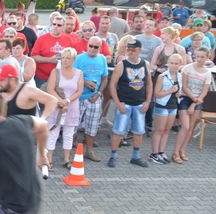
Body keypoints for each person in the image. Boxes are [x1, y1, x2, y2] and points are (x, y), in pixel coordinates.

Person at [107, 39, 152, 168]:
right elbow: (112, 85)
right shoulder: (121, 65)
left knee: (139, 131)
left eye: (133, 50)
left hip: (139, 104)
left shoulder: (145, 64)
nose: (130, 52)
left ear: (140, 50)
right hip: (125, 103)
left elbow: (149, 84)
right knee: (118, 131)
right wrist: (118, 103)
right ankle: (113, 156)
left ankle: (135, 157)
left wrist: (147, 102)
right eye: (128, 49)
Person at [45, 48, 84, 168]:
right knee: (53, 133)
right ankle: (49, 159)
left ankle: (67, 160)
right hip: (57, 107)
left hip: (72, 108)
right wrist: (61, 102)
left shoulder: (79, 73)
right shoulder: (56, 71)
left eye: (68, 58)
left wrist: (67, 101)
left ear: (74, 60)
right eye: (63, 58)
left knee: (68, 135)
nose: (64, 60)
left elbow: (79, 91)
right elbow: (50, 89)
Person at [74, 39, 109, 162]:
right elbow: (72, 76)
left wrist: (99, 93)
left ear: (100, 47)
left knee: (92, 126)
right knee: (73, 125)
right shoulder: (79, 58)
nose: (93, 49)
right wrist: (85, 82)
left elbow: (104, 78)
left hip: (94, 98)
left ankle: (89, 151)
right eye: (91, 46)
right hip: (78, 97)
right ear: (87, 45)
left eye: (96, 47)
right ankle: (71, 152)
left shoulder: (102, 59)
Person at [149, 54, 181, 164]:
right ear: (168, 63)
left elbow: (179, 91)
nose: (173, 65)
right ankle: (154, 154)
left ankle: (161, 152)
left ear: (180, 65)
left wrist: (178, 94)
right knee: (160, 130)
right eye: (172, 63)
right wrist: (170, 91)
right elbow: (156, 94)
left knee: (167, 130)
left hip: (173, 106)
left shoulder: (180, 76)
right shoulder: (162, 76)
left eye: (176, 63)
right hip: (162, 106)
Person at [31, 14, 73, 86]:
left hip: (62, 77)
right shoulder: (42, 39)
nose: (56, 26)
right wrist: (50, 60)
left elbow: (73, 57)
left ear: (63, 27)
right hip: (42, 78)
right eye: (54, 24)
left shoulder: (68, 39)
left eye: (59, 25)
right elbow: (34, 57)